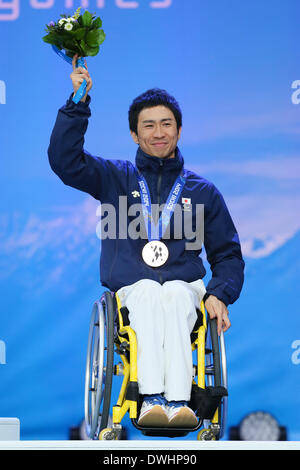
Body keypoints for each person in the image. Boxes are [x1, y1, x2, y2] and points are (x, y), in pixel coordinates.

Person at [48, 55, 245, 428]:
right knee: (151, 293)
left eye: (166, 124)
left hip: (185, 288)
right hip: (131, 289)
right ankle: (152, 398)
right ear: (135, 135)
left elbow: (228, 254)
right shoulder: (114, 177)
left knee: (172, 292)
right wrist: (77, 104)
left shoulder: (203, 191)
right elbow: (64, 161)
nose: (159, 132)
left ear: (180, 130)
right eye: (149, 126)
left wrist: (220, 292)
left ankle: (179, 401)